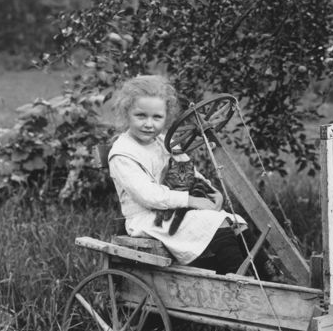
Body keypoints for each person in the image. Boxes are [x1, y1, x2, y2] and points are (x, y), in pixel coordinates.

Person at [107, 74, 273, 278]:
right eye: (141, 116)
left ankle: (268, 277)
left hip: (173, 211)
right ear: (126, 113)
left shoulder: (162, 143)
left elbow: (189, 172)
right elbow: (148, 196)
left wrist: (211, 193)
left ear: (166, 117)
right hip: (148, 219)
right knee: (212, 223)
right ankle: (238, 280)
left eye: (157, 117)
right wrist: (192, 200)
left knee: (233, 220)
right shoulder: (123, 153)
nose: (149, 124)